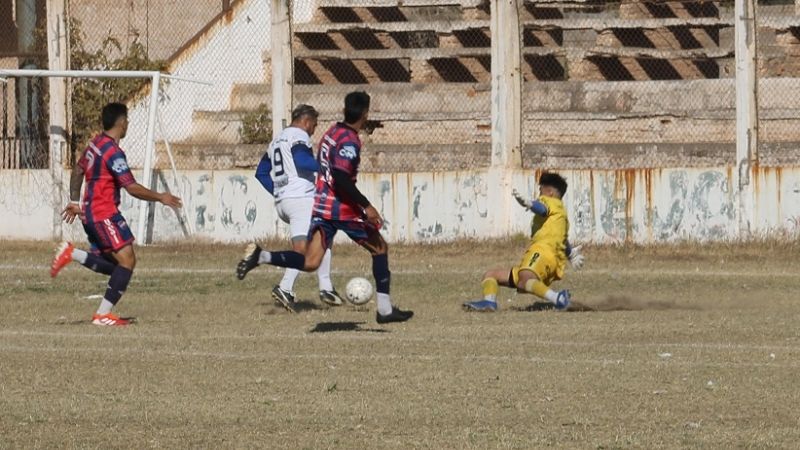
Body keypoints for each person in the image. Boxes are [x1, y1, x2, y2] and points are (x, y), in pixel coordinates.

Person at [237, 91, 413, 324]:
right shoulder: (347, 140)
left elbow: (263, 172)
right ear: (365, 113)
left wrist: (280, 190)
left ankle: (264, 257)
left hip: (317, 204)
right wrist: (366, 206)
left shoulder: (331, 132)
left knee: (310, 261)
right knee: (379, 248)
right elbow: (339, 177)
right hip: (334, 205)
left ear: (344, 110)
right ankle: (384, 309)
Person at [50, 102, 182, 326]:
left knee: (117, 266)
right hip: (104, 214)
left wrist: (75, 201)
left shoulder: (95, 144)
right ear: (121, 123)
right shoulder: (113, 152)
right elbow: (131, 187)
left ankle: (72, 254)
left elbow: (78, 170)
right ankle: (102, 315)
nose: (128, 124)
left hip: (90, 214)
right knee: (127, 261)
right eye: (127, 121)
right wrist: (161, 197)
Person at [253, 104, 345, 312]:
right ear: (306, 121)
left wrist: (279, 192)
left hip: (284, 203)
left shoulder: (276, 140)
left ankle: (326, 287)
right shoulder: (299, 136)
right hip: (301, 199)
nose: (314, 130)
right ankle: (286, 287)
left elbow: (260, 173)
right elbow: (302, 160)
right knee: (304, 249)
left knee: (323, 234)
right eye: (314, 125)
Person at [463, 172, 585, 312]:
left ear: (550, 192)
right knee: (492, 275)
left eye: (541, 190)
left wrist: (530, 203)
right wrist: (571, 254)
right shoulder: (561, 215)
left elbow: (542, 208)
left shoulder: (549, 201)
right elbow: (561, 240)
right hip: (548, 260)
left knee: (524, 280)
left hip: (542, 253)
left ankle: (558, 298)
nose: (539, 193)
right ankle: (488, 302)